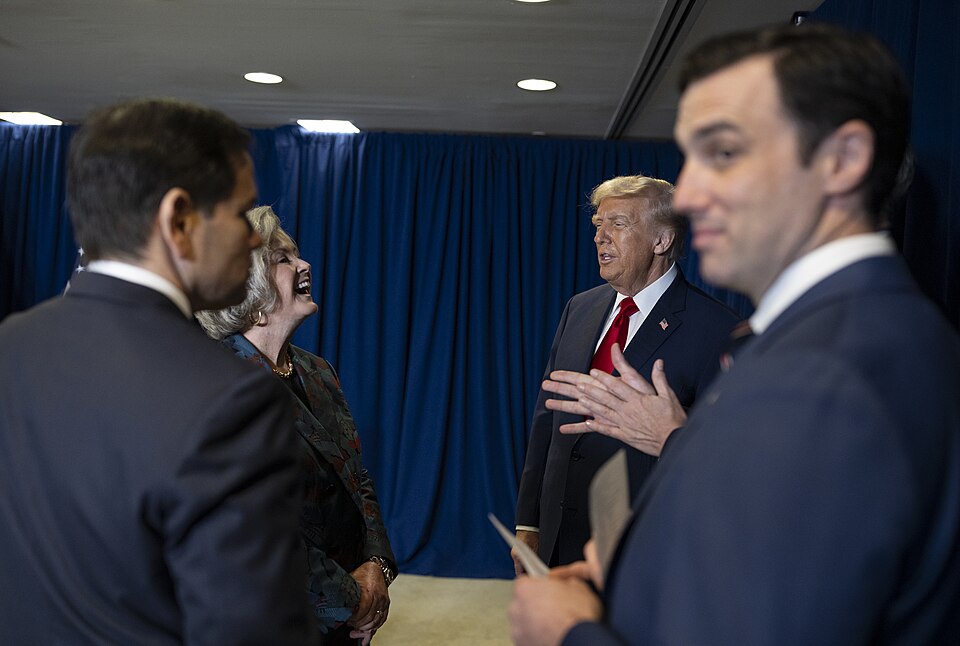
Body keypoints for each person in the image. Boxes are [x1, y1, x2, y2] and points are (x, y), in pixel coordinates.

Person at [509, 22, 960, 645]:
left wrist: (567, 632)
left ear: (842, 160)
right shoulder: (830, 335)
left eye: (723, 153)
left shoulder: (836, 367)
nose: (692, 195)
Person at [0, 99, 317, 643]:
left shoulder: (10, 347)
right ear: (179, 219)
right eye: (240, 213)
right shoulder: (231, 399)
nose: (252, 239)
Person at [514, 175, 739, 570]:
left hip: (643, 549)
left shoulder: (718, 330)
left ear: (662, 240)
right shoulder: (579, 308)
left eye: (617, 224)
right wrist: (529, 522)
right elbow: (548, 417)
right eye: (598, 224)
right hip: (558, 536)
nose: (600, 237)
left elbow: (726, 458)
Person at [197, 206, 397, 646]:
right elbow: (253, 529)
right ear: (248, 290)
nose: (304, 264)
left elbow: (357, 479)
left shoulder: (318, 371)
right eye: (283, 259)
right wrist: (352, 600)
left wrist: (376, 568)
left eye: (296, 254)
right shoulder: (218, 384)